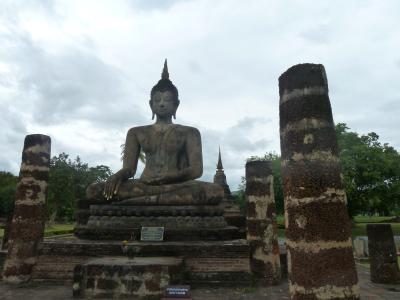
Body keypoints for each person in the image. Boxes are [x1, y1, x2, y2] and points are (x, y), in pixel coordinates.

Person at [85, 60, 222, 204]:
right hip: (144, 185)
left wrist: (169, 178)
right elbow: (129, 169)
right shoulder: (136, 132)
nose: (161, 103)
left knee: (214, 191)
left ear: (176, 104)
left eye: (167, 100)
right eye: (157, 100)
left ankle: (139, 202)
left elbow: (196, 170)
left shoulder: (190, 133)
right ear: (151, 104)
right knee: (94, 191)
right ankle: (153, 200)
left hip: (176, 185)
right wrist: (117, 176)